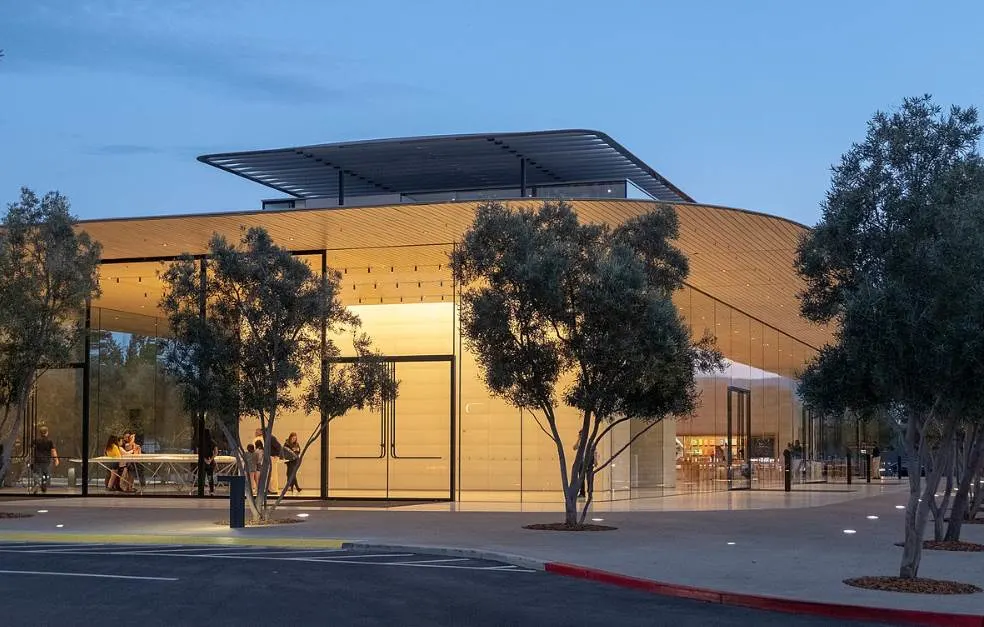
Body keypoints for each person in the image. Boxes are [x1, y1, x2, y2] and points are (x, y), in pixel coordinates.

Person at [31, 426, 59, 494]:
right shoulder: (49, 441)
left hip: (37, 459)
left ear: (40, 433)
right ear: (47, 432)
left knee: (36, 473)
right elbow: (53, 450)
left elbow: (31, 449)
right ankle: (43, 485)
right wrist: (56, 459)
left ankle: (37, 483)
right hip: (46, 460)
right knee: (45, 474)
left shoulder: (36, 440)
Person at [200, 428, 218, 495]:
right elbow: (216, 452)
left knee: (202, 476)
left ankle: (201, 490)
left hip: (203, 461)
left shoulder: (201, 442)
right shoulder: (213, 442)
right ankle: (211, 490)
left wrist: (205, 460)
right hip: (210, 461)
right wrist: (210, 460)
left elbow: (199, 452)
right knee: (210, 476)